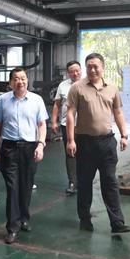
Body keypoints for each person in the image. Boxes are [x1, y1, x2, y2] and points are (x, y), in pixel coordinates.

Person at [66, 53, 130, 234]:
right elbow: (70, 114)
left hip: (107, 142)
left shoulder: (112, 88)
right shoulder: (77, 88)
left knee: (110, 182)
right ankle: (85, 220)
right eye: (89, 66)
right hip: (85, 143)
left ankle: (117, 223)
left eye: (96, 66)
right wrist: (71, 140)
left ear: (102, 67)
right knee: (85, 183)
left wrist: (124, 135)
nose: (92, 70)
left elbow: (118, 113)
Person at [0, 67, 48, 244]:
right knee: (13, 187)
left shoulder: (36, 100)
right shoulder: (2, 100)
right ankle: (12, 227)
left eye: (23, 78)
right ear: (10, 82)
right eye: (16, 79)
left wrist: (41, 145)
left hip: (30, 147)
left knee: (26, 185)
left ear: (27, 81)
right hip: (9, 148)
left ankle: (24, 217)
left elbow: (41, 125)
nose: (20, 82)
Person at [51, 60, 82, 195]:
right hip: (67, 125)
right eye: (72, 72)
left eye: (77, 71)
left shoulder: (87, 83)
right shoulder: (63, 86)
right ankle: (72, 182)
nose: (75, 73)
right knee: (70, 153)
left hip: (85, 126)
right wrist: (54, 121)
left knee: (84, 153)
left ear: (81, 70)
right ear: (68, 73)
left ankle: (83, 181)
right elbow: (57, 104)